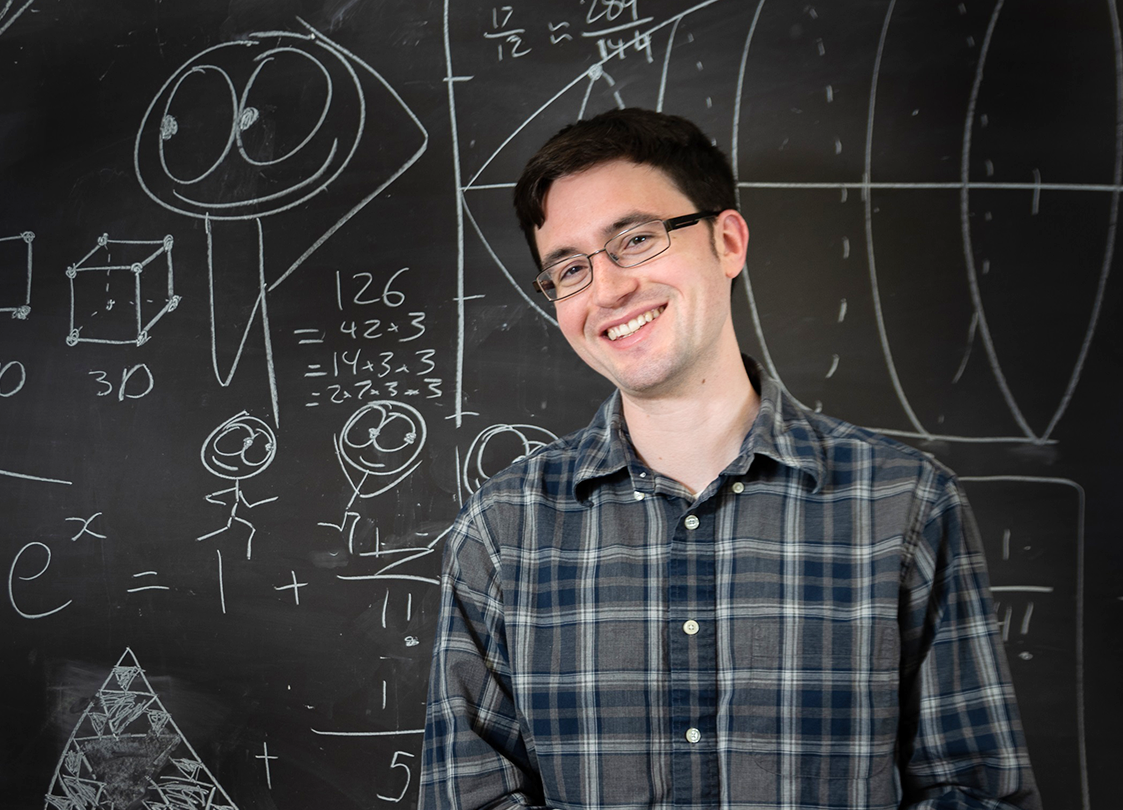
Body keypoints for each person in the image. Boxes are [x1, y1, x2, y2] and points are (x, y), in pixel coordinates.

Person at [420, 109, 1040, 809]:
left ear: (727, 240)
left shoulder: (906, 504)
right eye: (569, 268)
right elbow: (470, 798)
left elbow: (975, 793)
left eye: (637, 239)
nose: (608, 289)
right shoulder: (505, 531)